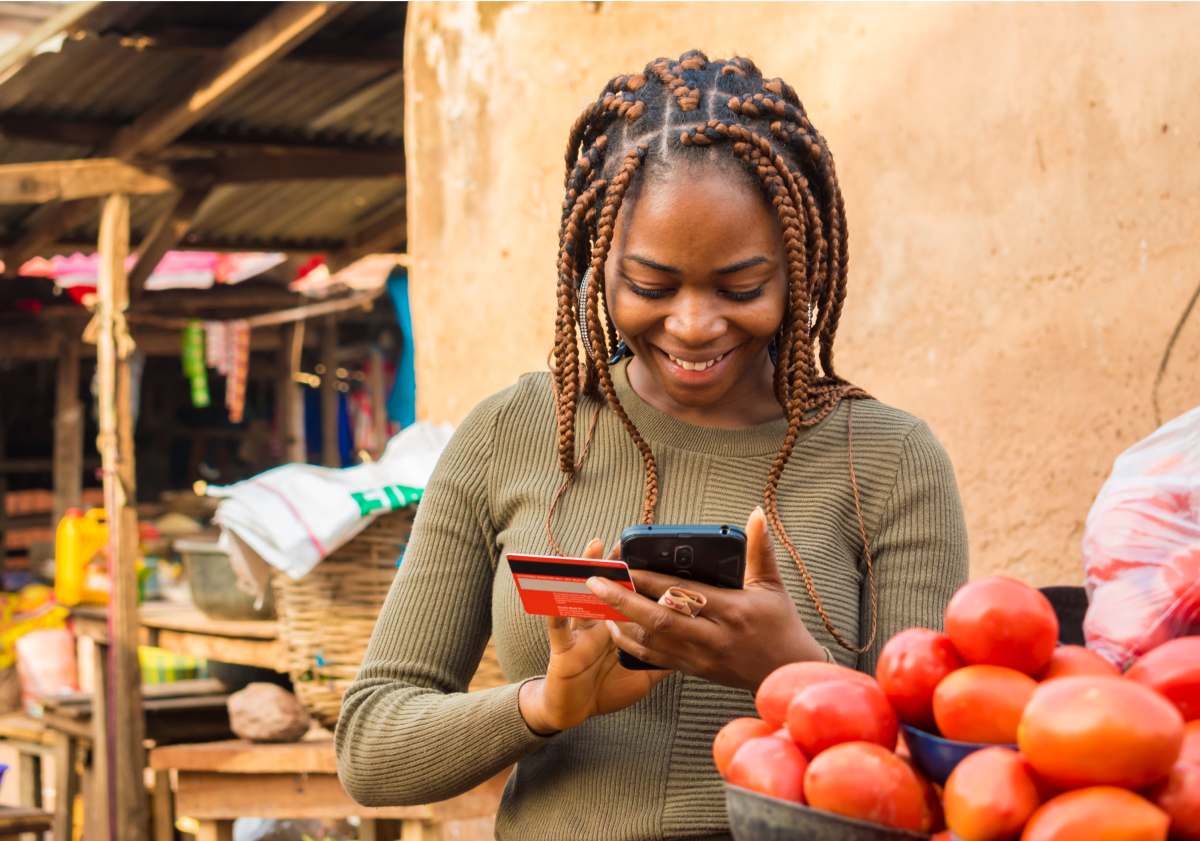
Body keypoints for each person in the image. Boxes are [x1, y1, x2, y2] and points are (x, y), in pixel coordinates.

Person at [336, 51, 968, 840]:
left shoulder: (885, 459)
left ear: (801, 268)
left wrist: (787, 667)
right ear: (593, 265)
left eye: (741, 288)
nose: (695, 324)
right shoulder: (512, 434)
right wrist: (544, 703)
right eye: (650, 285)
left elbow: (949, 779)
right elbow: (371, 747)